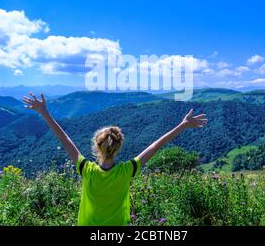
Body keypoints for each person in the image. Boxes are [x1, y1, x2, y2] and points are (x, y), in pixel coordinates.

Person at [23, 92, 208, 226]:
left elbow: (64, 140)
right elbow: (155, 146)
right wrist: (182, 126)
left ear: (96, 146)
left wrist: (44, 113)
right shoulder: (127, 171)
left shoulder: (86, 170)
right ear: (118, 147)